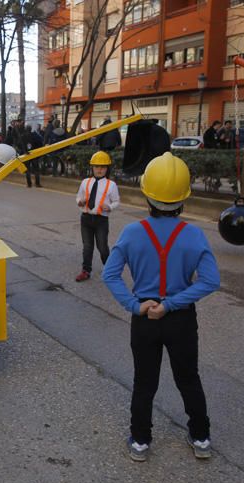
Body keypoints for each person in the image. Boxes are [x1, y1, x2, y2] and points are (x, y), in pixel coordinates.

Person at [102, 152, 220, 462]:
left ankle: (140, 442)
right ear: (184, 198)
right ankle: (201, 438)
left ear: (147, 195)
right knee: (188, 379)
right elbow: (210, 281)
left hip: (144, 316)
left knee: (145, 381)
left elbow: (110, 274)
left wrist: (134, 305)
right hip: (180, 318)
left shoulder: (131, 232)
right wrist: (170, 305)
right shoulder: (194, 235)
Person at [74, 151, 120, 282]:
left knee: (102, 247)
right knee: (87, 246)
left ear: (107, 169)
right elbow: (79, 196)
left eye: (103, 167)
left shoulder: (111, 185)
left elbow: (116, 201)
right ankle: (85, 271)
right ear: (92, 167)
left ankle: (110, 270)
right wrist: (80, 201)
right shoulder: (85, 182)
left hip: (101, 220)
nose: (99, 170)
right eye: (96, 166)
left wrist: (110, 207)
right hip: (86, 218)